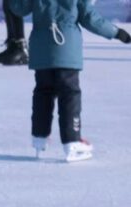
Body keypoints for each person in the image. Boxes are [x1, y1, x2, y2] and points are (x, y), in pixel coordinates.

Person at [10, 0, 131, 161]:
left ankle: (39, 137)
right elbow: (89, 17)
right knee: (69, 94)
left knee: (43, 92)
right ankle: (72, 140)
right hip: (66, 47)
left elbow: (18, 8)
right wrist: (116, 32)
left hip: (41, 47)